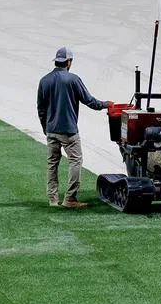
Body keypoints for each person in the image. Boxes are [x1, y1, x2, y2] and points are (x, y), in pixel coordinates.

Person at [36, 46, 110, 208]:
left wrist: (45, 127)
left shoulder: (44, 80)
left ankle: (52, 199)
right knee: (75, 161)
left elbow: (41, 108)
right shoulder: (73, 80)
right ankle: (70, 198)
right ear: (68, 62)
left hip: (51, 129)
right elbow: (90, 101)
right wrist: (107, 105)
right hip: (68, 130)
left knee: (52, 163)